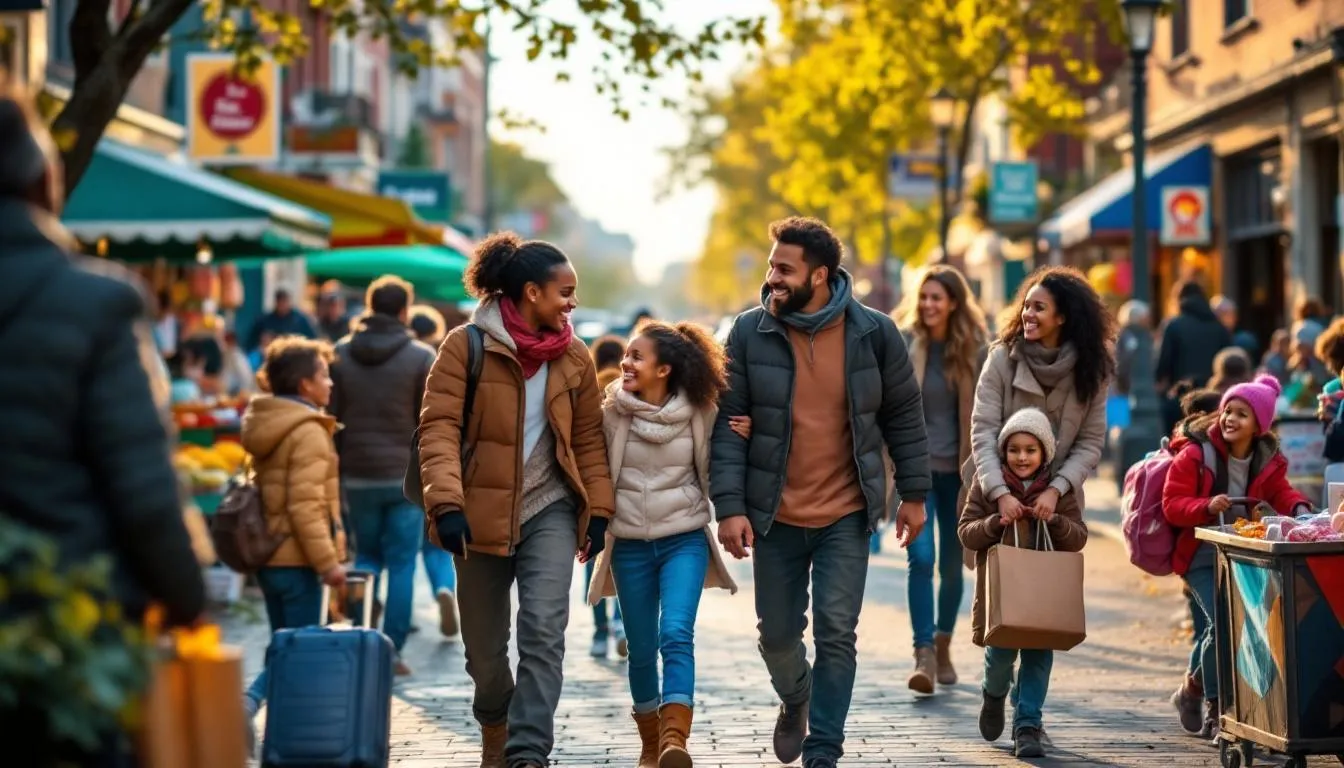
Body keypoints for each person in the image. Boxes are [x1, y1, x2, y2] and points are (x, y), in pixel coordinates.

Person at [0, 77, 206, 767]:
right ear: (42, 184)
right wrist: (187, 598)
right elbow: (145, 490)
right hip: (62, 629)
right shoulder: (95, 302)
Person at [711, 216, 930, 768]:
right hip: (775, 515)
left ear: (821, 274)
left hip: (846, 513)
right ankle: (796, 697)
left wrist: (914, 493)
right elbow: (729, 423)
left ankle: (825, 747)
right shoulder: (748, 331)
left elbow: (904, 414)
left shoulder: (875, 332)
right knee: (777, 636)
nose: (772, 278)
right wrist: (731, 508)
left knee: (838, 632)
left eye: (784, 269)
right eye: (770, 266)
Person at [418, 232, 614, 768]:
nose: (572, 302)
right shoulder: (466, 345)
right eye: (564, 291)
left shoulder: (574, 356)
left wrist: (598, 510)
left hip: (549, 507)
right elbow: (437, 428)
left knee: (544, 630)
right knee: (483, 651)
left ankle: (528, 751)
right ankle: (495, 721)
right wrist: (446, 502)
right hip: (475, 511)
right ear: (531, 292)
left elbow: (590, 440)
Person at [585, 321, 740, 768]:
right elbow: (593, 469)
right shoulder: (611, 412)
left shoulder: (700, 411)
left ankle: (676, 738)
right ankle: (651, 744)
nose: (625, 363)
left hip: (683, 541)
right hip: (629, 545)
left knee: (676, 633)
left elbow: (716, 468)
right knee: (640, 647)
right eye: (626, 355)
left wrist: (738, 437)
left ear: (665, 369)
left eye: (637, 357)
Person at [1162, 374, 1311, 740]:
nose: (1229, 419)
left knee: (1227, 626)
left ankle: (1193, 688)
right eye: (1227, 410)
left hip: (1243, 552)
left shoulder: (1267, 459)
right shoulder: (1196, 454)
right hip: (1199, 553)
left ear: (1258, 425)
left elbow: (1281, 492)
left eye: (1241, 414)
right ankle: (1217, 707)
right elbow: (1171, 505)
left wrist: (1301, 507)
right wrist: (1205, 505)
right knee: (1226, 624)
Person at [239, 336, 349, 749]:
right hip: (298, 560)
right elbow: (305, 507)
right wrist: (328, 564)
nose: (331, 383)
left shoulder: (269, 421)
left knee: (283, 644)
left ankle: (281, 739)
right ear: (305, 384)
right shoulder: (307, 432)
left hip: (271, 557)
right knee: (296, 651)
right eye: (324, 375)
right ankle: (248, 706)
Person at [957, 407, 1087, 759]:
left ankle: (1027, 725)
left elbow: (1078, 539)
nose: (1021, 457)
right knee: (999, 656)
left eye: (1030, 450)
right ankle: (993, 694)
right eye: (1014, 449)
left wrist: (1056, 520)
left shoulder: (1060, 491)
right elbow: (967, 534)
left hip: (1044, 597)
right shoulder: (989, 487)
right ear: (1003, 452)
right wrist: (996, 523)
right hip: (1003, 596)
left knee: (1038, 658)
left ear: (1044, 452)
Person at [329, 276, 438, 666]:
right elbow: (427, 422)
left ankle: (360, 633)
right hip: (404, 477)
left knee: (367, 556)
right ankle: (391, 649)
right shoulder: (421, 356)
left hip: (356, 472)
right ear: (404, 310)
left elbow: (332, 417)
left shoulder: (340, 353)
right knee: (404, 563)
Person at [891, 265, 988, 692]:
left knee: (952, 566)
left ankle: (944, 643)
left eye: (938, 298)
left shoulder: (976, 350)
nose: (929, 304)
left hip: (962, 476)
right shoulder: (903, 343)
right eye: (924, 296)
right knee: (921, 559)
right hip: (917, 474)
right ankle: (923, 652)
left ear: (953, 302)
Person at [968, 266, 1115, 541]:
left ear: (1062, 317)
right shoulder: (1002, 358)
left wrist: (1056, 490)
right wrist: (999, 493)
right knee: (1004, 581)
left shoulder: (1092, 368)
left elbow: (1090, 442)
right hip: (998, 500)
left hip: (1058, 506)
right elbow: (983, 430)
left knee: (1051, 582)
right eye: (1026, 306)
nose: (1028, 314)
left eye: (1039, 308)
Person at [407, 302, 460, 636]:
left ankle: (388, 608)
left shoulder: (349, 354)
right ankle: (444, 587)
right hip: (423, 461)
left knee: (395, 556)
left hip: (367, 468)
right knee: (434, 543)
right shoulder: (431, 362)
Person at [587, 333, 630, 657]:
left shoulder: (589, 387)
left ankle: (599, 631)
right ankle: (620, 623)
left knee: (593, 558)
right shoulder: (628, 390)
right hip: (626, 489)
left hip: (593, 492)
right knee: (624, 561)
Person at [1157, 281, 1232, 435]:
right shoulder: (1219, 327)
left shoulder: (1174, 326)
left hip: (1183, 396)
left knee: (1180, 441)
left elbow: (1163, 365)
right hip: (1213, 396)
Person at [246, 288, 317, 350]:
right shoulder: (264, 320)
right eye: (280, 300)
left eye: (285, 300)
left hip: (294, 358)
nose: (282, 304)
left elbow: (312, 341)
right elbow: (250, 344)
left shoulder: (300, 320)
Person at [1210, 295, 1259, 361]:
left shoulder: (1243, 340)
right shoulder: (1211, 338)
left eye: (1234, 314)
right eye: (1228, 314)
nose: (1234, 319)